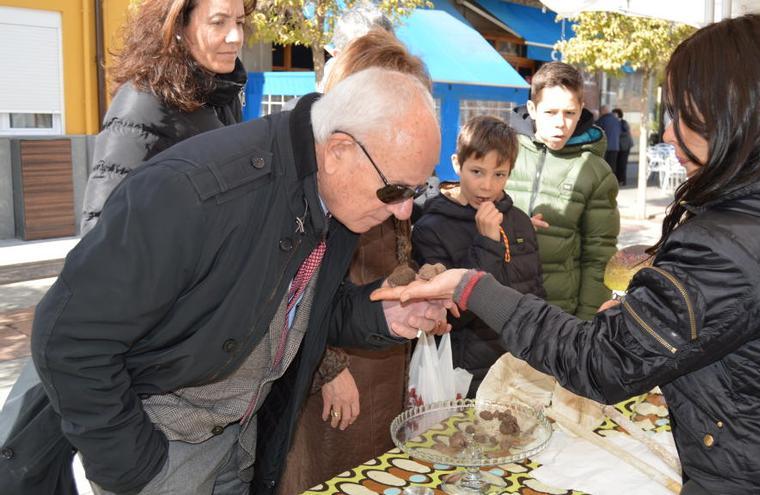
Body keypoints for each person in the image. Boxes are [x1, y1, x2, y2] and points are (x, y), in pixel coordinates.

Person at [373, 14, 760, 495]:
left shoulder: (737, 242)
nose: (666, 133)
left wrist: (473, 287)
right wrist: (659, 309)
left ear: (734, 115)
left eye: (682, 114)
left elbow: (601, 363)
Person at [5, 69, 447, 495]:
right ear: (338, 150)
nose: (405, 211)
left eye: (417, 191)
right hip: (161, 449)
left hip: (237, 441)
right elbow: (67, 336)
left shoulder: (333, 194)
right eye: (396, 191)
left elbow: (303, 311)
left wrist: (385, 313)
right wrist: (135, 468)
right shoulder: (197, 192)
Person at [278, 29, 432, 494]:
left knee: (379, 472)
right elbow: (299, 294)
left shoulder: (392, 169)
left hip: (383, 357)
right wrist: (330, 367)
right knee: (325, 473)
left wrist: (421, 281)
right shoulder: (324, 177)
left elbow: (393, 259)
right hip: (336, 370)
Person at [80, 0, 250, 235]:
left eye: (239, 22)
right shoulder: (141, 103)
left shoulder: (223, 93)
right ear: (177, 26)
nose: (235, 37)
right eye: (218, 22)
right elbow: (101, 233)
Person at [412, 116, 545, 397]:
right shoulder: (431, 227)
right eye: (477, 171)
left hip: (516, 368)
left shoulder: (519, 221)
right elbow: (450, 314)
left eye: (499, 174)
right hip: (464, 373)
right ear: (457, 164)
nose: (487, 186)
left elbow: (535, 293)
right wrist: (487, 243)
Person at [507, 62, 619, 321]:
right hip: (499, 305)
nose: (561, 123)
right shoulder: (502, 151)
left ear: (581, 111)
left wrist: (585, 324)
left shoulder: (595, 171)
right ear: (533, 109)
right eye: (551, 112)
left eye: (569, 113)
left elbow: (599, 255)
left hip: (558, 316)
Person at [596, 105, 622, 184]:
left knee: (603, 166)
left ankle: (603, 183)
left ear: (603, 111)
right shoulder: (616, 120)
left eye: (601, 111)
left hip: (605, 147)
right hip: (615, 147)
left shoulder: (602, 119)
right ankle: (612, 182)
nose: (600, 113)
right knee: (612, 166)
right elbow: (619, 132)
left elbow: (597, 131)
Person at [613, 108, 634, 186]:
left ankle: (622, 180)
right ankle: (619, 180)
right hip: (619, 146)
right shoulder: (616, 122)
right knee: (618, 163)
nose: (613, 115)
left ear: (618, 115)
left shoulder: (623, 122)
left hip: (625, 146)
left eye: (614, 114)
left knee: (622, 163)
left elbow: (626, 132)